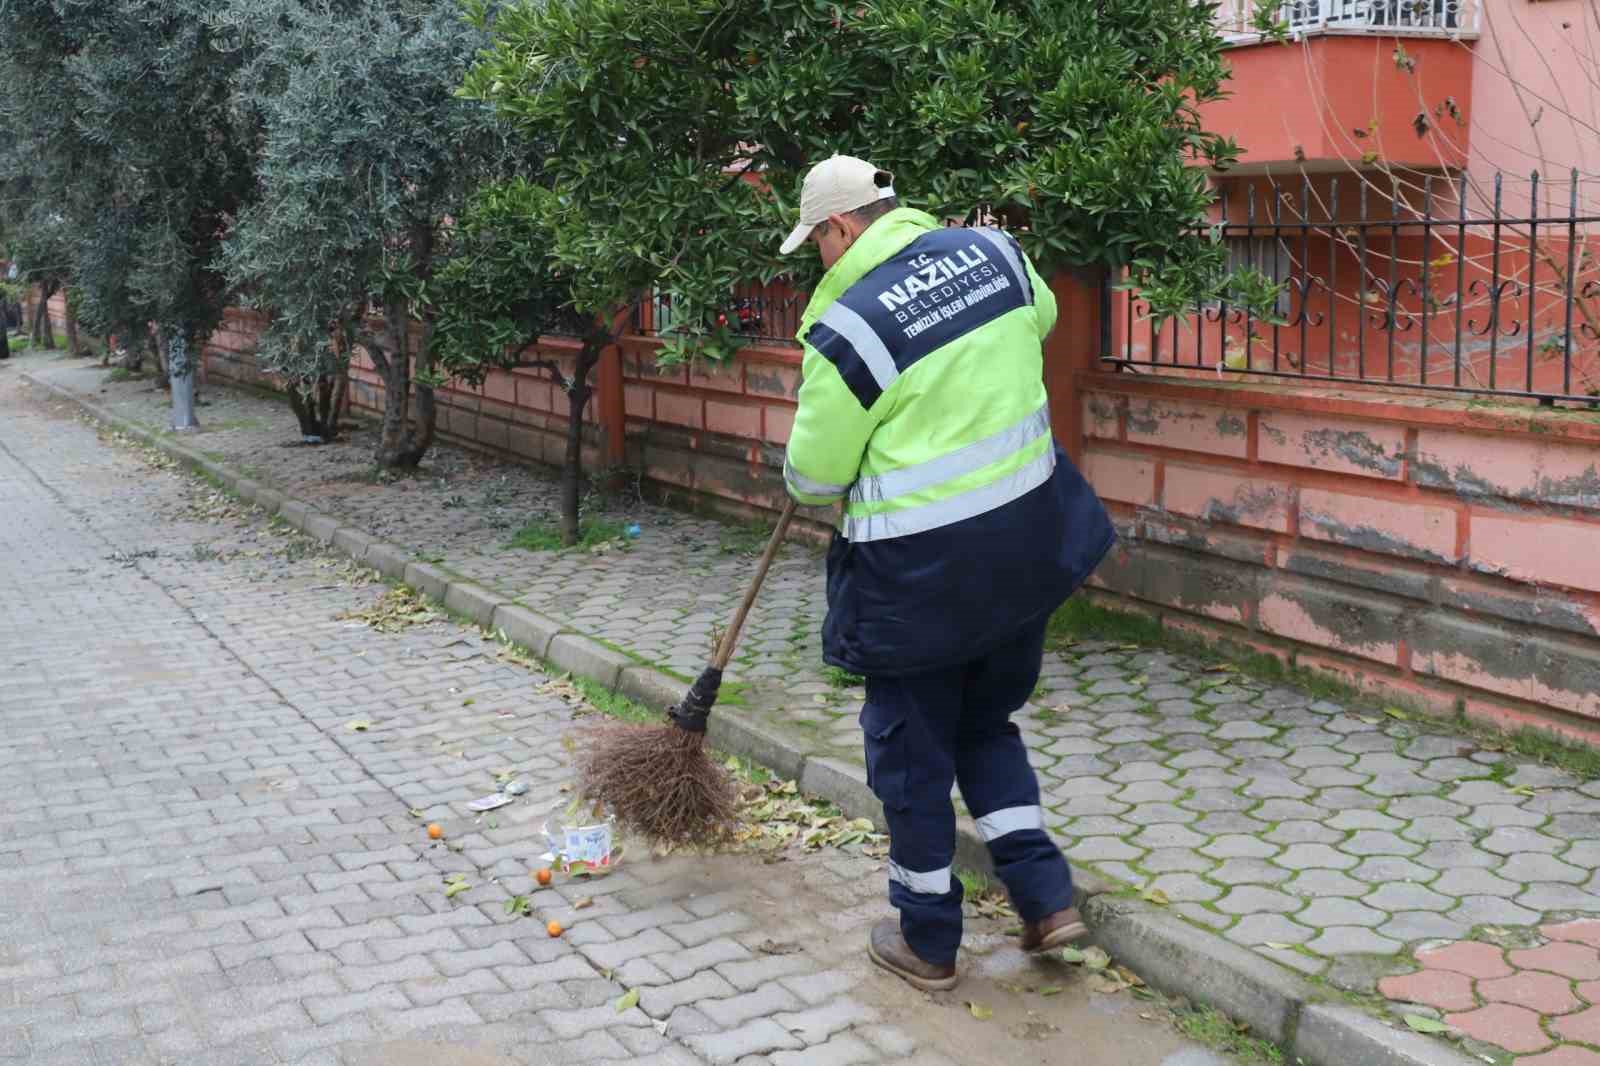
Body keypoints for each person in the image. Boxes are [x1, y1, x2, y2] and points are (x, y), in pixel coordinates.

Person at [778, 154, 1116, 990]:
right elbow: (1036, 320)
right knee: (985, 722)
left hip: (919, 585)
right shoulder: (994, 254)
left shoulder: (851, 330)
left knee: (910, 757)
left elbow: (815, 478)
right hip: (1029, 555)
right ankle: (1045, 897)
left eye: (814, 243)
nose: (817, 260)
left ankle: (927, 941)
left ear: (839, 227)